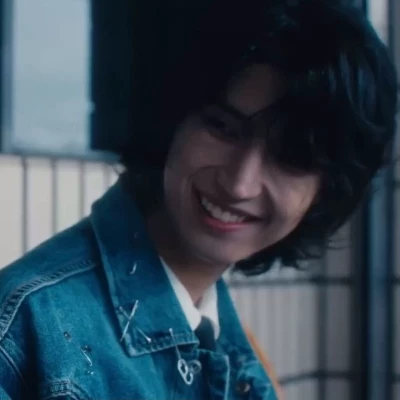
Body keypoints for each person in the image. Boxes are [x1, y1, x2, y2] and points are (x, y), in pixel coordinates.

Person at [0, 0, 397, 399]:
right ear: (172, 119)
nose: (240, 184)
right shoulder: (26, 330)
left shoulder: (227, 340)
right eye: (222, 127)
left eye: (291, 156)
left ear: (327, 189)